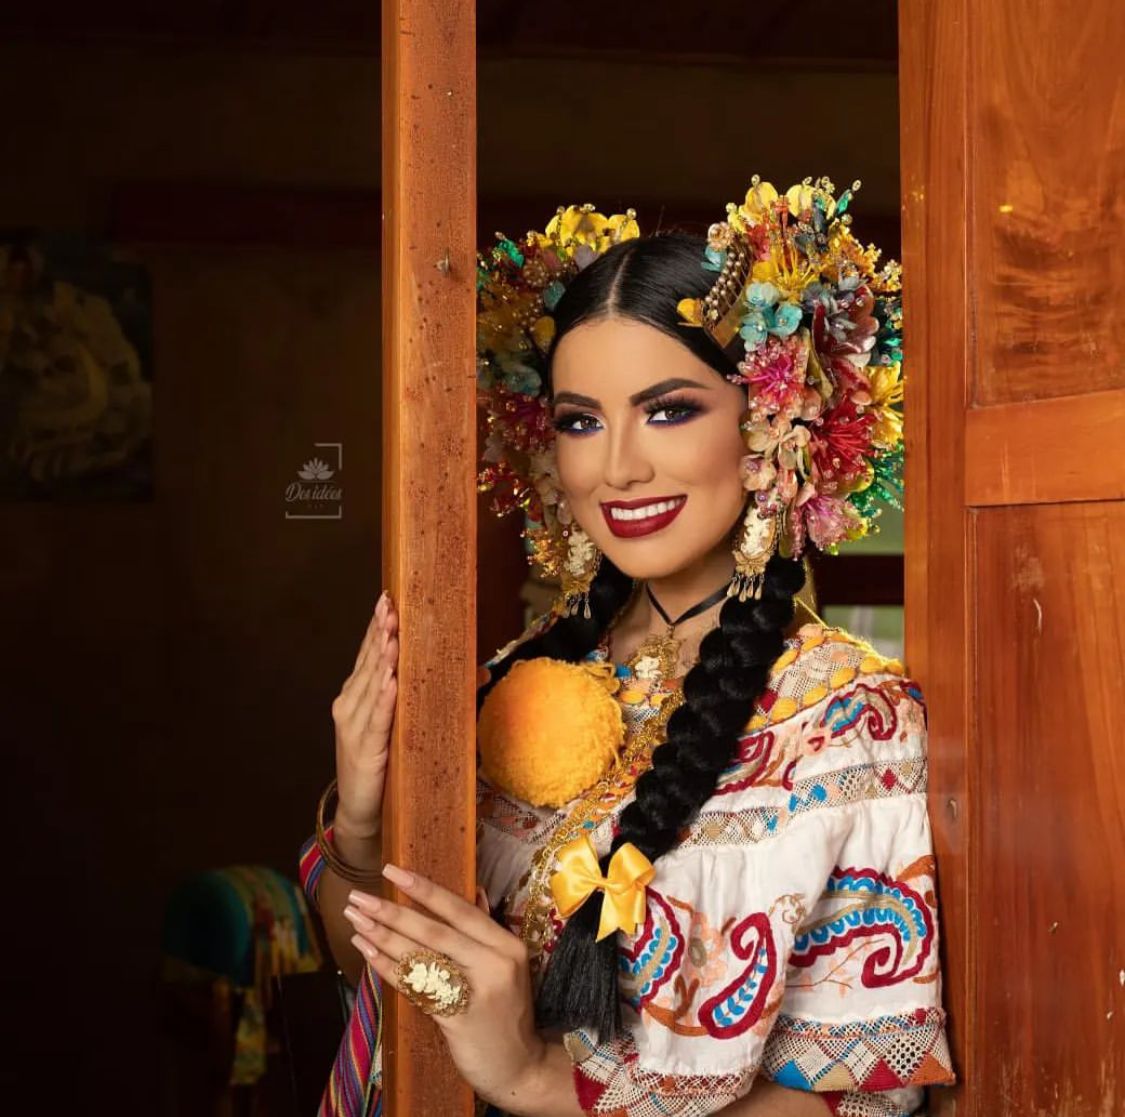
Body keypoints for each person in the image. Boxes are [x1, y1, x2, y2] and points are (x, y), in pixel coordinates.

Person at [300, 181, 955, 1116]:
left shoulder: (847, 719)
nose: (616, 467)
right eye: (579, 420)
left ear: (774, 423)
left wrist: (530, 1075)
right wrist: (363, 824)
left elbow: (857, 1103)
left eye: (668, 409)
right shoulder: (515, 676)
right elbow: (365, 954)